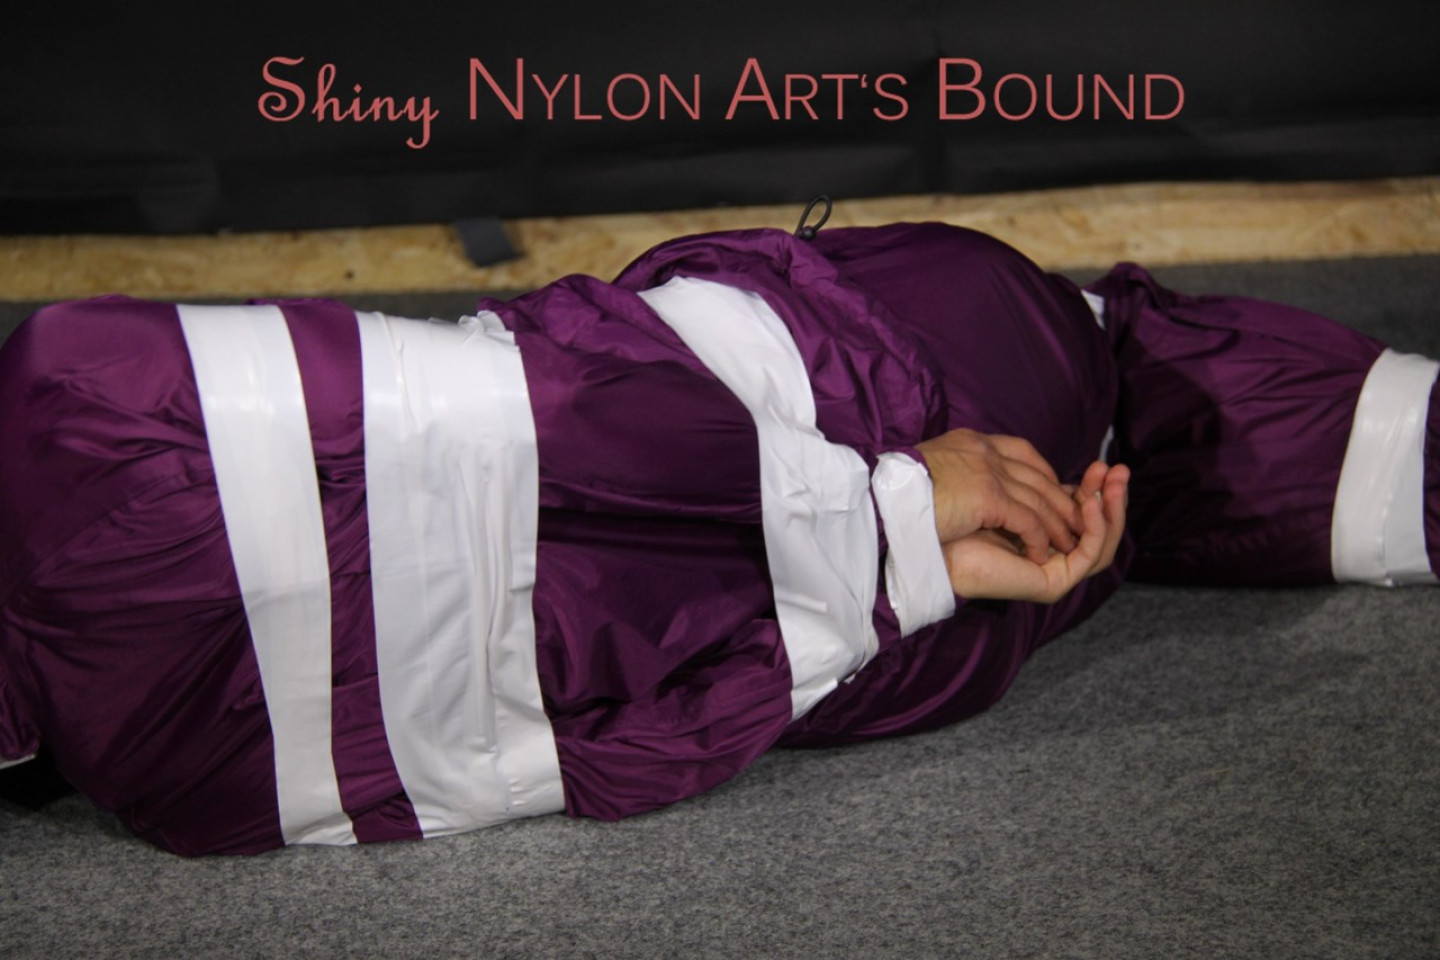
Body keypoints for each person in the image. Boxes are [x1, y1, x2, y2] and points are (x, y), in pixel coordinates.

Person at [0, 219, 1434, 856]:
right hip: (916, 397)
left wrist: (904, 579)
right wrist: (894, 505)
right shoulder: (77, 394)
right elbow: (569, 406)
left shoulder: (177, 797)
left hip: (926, 640)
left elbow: (624, 758)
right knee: (1071, 362)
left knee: (1103, 478)